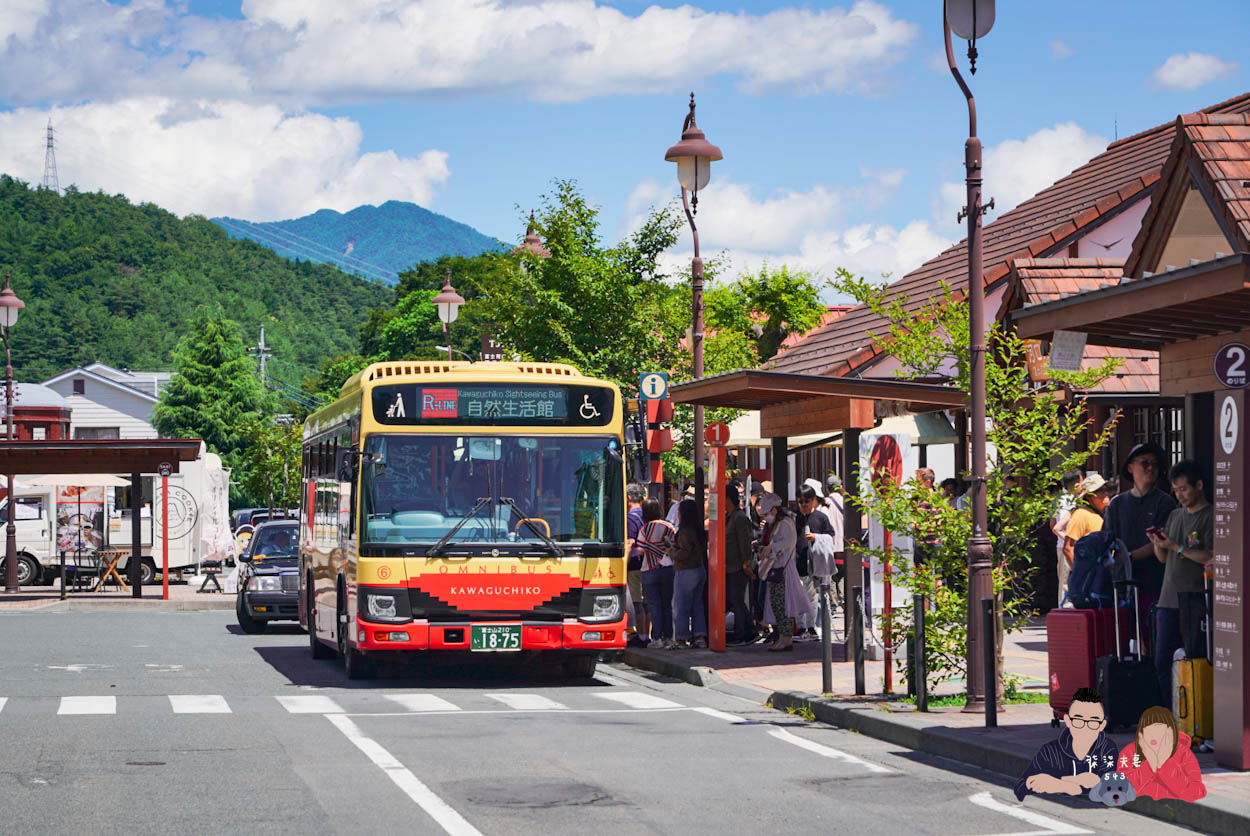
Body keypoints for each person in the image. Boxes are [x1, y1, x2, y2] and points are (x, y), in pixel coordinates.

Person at [1147, 459, 1213, 701]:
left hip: (1196, 601)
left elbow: (1211, 557)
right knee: (1162, 661)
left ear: (1199, 485)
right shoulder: (1175, 515)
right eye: (1175, 490)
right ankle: (1170, 711)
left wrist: (1176, 546)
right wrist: (1158, 544)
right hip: (1167, 600)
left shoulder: (1211, 516)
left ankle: (1195, 713)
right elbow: (1163, 558)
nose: (1179, 495)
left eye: (1183, 489)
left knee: (1196, 660)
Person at [1105, 443, 1178, 644]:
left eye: (1155, 464)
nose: (1150, 468)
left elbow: (1162, 541)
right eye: (1144, 463)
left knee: (1152, 636)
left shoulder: (1165, 503)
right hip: (1122, 582)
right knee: (1123, 639)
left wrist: (1128, 557)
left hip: (1155, 581)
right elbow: (1106, 538)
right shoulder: (1117, 503)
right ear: (1130, 468)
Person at [1014, 687, 1119, 801]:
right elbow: (1020, 788)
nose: (1085, 727)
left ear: (1102, 725)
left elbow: (1112, 789)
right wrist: (1068, 784)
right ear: (1068, 721)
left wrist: (1060, 783)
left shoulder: (1107, 749)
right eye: (1078, 720)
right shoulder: (1050, 751)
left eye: (1093, 722)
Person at [758, 493, 813, 652]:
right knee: (777, 604)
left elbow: (786, 543)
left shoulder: (785, 523)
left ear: (774, 510)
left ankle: (786, 638)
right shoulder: (778, 524)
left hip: (783, 570)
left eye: (767, 513)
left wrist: (771, 549)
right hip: (777, 569)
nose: (766, 517)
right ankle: (782, 637)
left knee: (783, 604)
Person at [1117, 706, 1206, 802]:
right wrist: (1149, 764)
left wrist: (1165, 762)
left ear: (1170, 732)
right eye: (1147, 728)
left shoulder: (1183, 753)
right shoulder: (1130, 752)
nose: (1153, 734)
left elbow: (1196, 792)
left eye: (1158, 728)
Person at [1062, 473, 1112, 604]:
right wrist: (1082, 577)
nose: (1105, 494)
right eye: (1099, 491)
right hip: (1091, 586)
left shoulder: (1102, 515)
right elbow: (1068, 548)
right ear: (1089, 496)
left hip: (1103, 581)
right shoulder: (1081, 514)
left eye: (1106, 490)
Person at [636, 499, 675, 649]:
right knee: (667, 605)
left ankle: (657, 637)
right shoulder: (669, 527)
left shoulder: (644, 528)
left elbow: (640, 550)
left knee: (654, 605)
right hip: (667, 568)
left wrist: (651, 548)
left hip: (649, 569)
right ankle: (668, 637)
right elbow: (674, 545)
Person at [670, 498, 708, 649]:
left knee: (681, 606)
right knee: (697, 605)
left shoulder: (684, 532)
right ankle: (700, 636)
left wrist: (672, 552)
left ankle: (681, 638)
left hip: (686, 571)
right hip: (699, 569)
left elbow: (684, 553)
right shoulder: (698, 530)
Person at [724, 485, 756, 645]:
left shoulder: (740, 518)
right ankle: (749, 630)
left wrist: (746, 563)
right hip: (728, 566)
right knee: (734, 599)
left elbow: (744, 542)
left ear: (728, 499)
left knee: (737, 599)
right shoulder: (729, 517)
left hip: (738, 566)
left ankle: (743, 633)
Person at [1051, 470, 1083, 608]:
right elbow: (1058, 527)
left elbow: (1052, 524)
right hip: (1068, 545)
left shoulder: (1057, 500)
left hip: (1062, 544)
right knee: (1067, 582)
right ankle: (1066, 611)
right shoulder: (1068, 501)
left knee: (1066, 582)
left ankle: (1065, 610)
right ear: (1077, 484)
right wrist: (1069, 539)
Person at [624, 483, 650, 647]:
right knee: (647, 602)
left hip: (634, 564)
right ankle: (647, 635)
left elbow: (630, 543)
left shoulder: (630, 518)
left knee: (637, 602)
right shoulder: (646, 514)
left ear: (628, 498)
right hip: (648, 563)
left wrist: (622, 565)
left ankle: (641, 636)